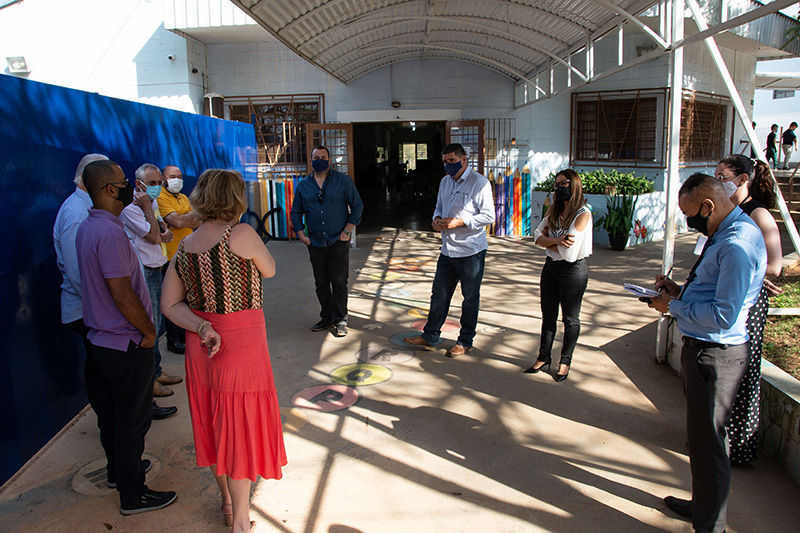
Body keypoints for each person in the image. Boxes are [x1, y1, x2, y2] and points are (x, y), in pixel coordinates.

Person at [161, 169, 287, 533]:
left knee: (215, 423)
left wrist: (202, 325)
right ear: (234, 198)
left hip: (203, 344)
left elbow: (170, 304)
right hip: (241, 343)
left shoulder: (186, 244)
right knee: (240, 428)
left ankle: (229, 505)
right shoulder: (242, 233)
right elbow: (271, 269)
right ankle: (242, 523)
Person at [646, 173, 766, 533]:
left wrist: (672, 307)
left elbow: (724, 314)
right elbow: (712, 293)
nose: (690, 223)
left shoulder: (736, 244)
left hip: (716, 354)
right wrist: (678, 291)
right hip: (703, 349)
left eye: (691, 215)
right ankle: (703, 505)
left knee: (711, 445)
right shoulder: (724, 234)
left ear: (709, 206)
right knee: (701, 441)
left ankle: (710, 525)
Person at [76, 160, 178, 515]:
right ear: (108, 190)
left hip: (101, 340)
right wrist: (149, 331)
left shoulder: (89, 227)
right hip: (124, 341)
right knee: (132, 422)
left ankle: (120, 473)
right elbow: (121, 292)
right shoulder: (109, 233)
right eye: (123, 183)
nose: (129, 189)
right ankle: (133, 493)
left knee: (113, 417)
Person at [54, 154, 176, 421]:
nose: (125, 189)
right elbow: (83, 276)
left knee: (114, 387)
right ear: (104, 185)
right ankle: (124, 425)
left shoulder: (95, 216)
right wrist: (140, 325)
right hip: (100, 316)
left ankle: (124, 419)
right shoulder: (80, 216)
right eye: (121, 182)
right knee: (116, 390)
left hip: (105, 314)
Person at [715, 155, 783, 464]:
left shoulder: (758, 214)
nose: (717, 182)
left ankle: (739, 445)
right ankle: (717, 437)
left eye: (722, 176)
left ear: (743, 180)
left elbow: (776, 266)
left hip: (749, 302)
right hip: (725, 293)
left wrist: (750, 273)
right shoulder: (725, 211)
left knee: (743, 370)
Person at [404, 143, 495, 357]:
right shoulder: (445, 182)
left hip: (471, 251)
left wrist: (460, 222)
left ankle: (465, 340)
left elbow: (489, 216)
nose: (448, 165)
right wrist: (436, 220)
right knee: (439, 295)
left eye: (452, 161)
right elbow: (439, 207)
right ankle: (430, 337)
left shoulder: (479, 183)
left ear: (464, 159)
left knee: (470, 297)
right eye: (445, 161)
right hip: (448, 250)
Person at [524, 169, 592, 381]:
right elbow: (536, 236)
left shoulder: (582, 214)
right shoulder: (553, 211)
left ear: (574, 186)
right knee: (548, 315)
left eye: (564, 184)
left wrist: (549, 242)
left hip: (573, 271)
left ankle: (565, 361)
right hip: (551, 268)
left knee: (570, 319)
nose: (559, 188)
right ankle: (543, 357)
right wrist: (556, 241)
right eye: (557, 184)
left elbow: (570, 252)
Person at [120, 163, 182, 398]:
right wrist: (149, 210)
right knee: (150, 326)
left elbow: (166, 233)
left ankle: (156, 370)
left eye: (160, 183)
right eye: (153, 183)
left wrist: (159, 231)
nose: (158, 188)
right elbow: (157, 235)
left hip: (158, 267)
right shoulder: (132, 211)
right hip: (145, 271)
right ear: (139, 184)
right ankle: (149, 381)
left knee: (157, 323)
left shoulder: (152, 205)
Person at [290, 145, 364, 337]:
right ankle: (327, 317)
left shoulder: (343, 181)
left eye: (323, 157)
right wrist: (301, 234)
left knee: (339, 281)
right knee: (321, 282)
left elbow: (357, 206)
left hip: (338, 240)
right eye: (316, 157)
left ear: (329, 160)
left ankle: (341, 319)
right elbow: (295, 211)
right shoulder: (304, 185)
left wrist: (347, 231)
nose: (319, 160)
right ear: (311, 160)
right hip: (315, 242)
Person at [54, 153, 108, 344]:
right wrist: (104, 308)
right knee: (99, 367)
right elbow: (76, 270)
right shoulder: (76, 213)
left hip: (97, 308)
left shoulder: (91, 206)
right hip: (88, 310)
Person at [157, 164, 200, 353]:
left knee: (189, 297)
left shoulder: (183, 198)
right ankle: (173, 340)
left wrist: (184, 218)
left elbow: (199, 221)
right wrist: (186, 218)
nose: (177, 179)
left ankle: (184, 335)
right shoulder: (160, 196)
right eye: (173, 176)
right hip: (169, 255)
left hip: (187, 253)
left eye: (179, 176)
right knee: (174, 299)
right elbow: (177, 221)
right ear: (165, 179)